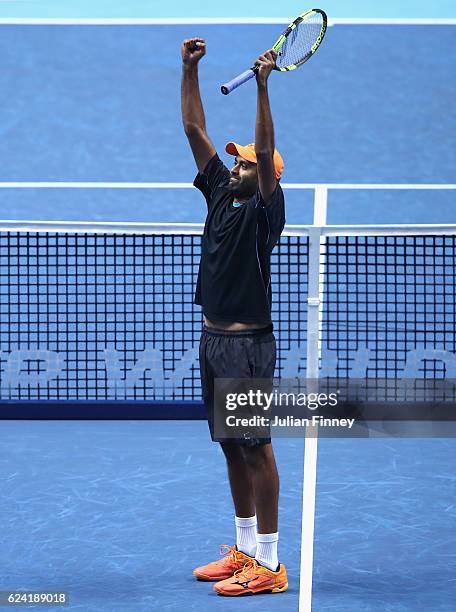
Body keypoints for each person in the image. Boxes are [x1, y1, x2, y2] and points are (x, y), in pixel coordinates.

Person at [181, 37, 288, 596]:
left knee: (255, 446)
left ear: (264, 172)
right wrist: (189, 70)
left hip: (247, 345)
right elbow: (195, 132)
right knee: (229, 442)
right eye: (239, 161)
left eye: (246, 161)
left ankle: (269, 563)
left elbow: (267, 149)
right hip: (212, 341)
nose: (237, 164)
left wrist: (264, 88)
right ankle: (244, 549)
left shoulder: (267, 213)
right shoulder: (221, 195)